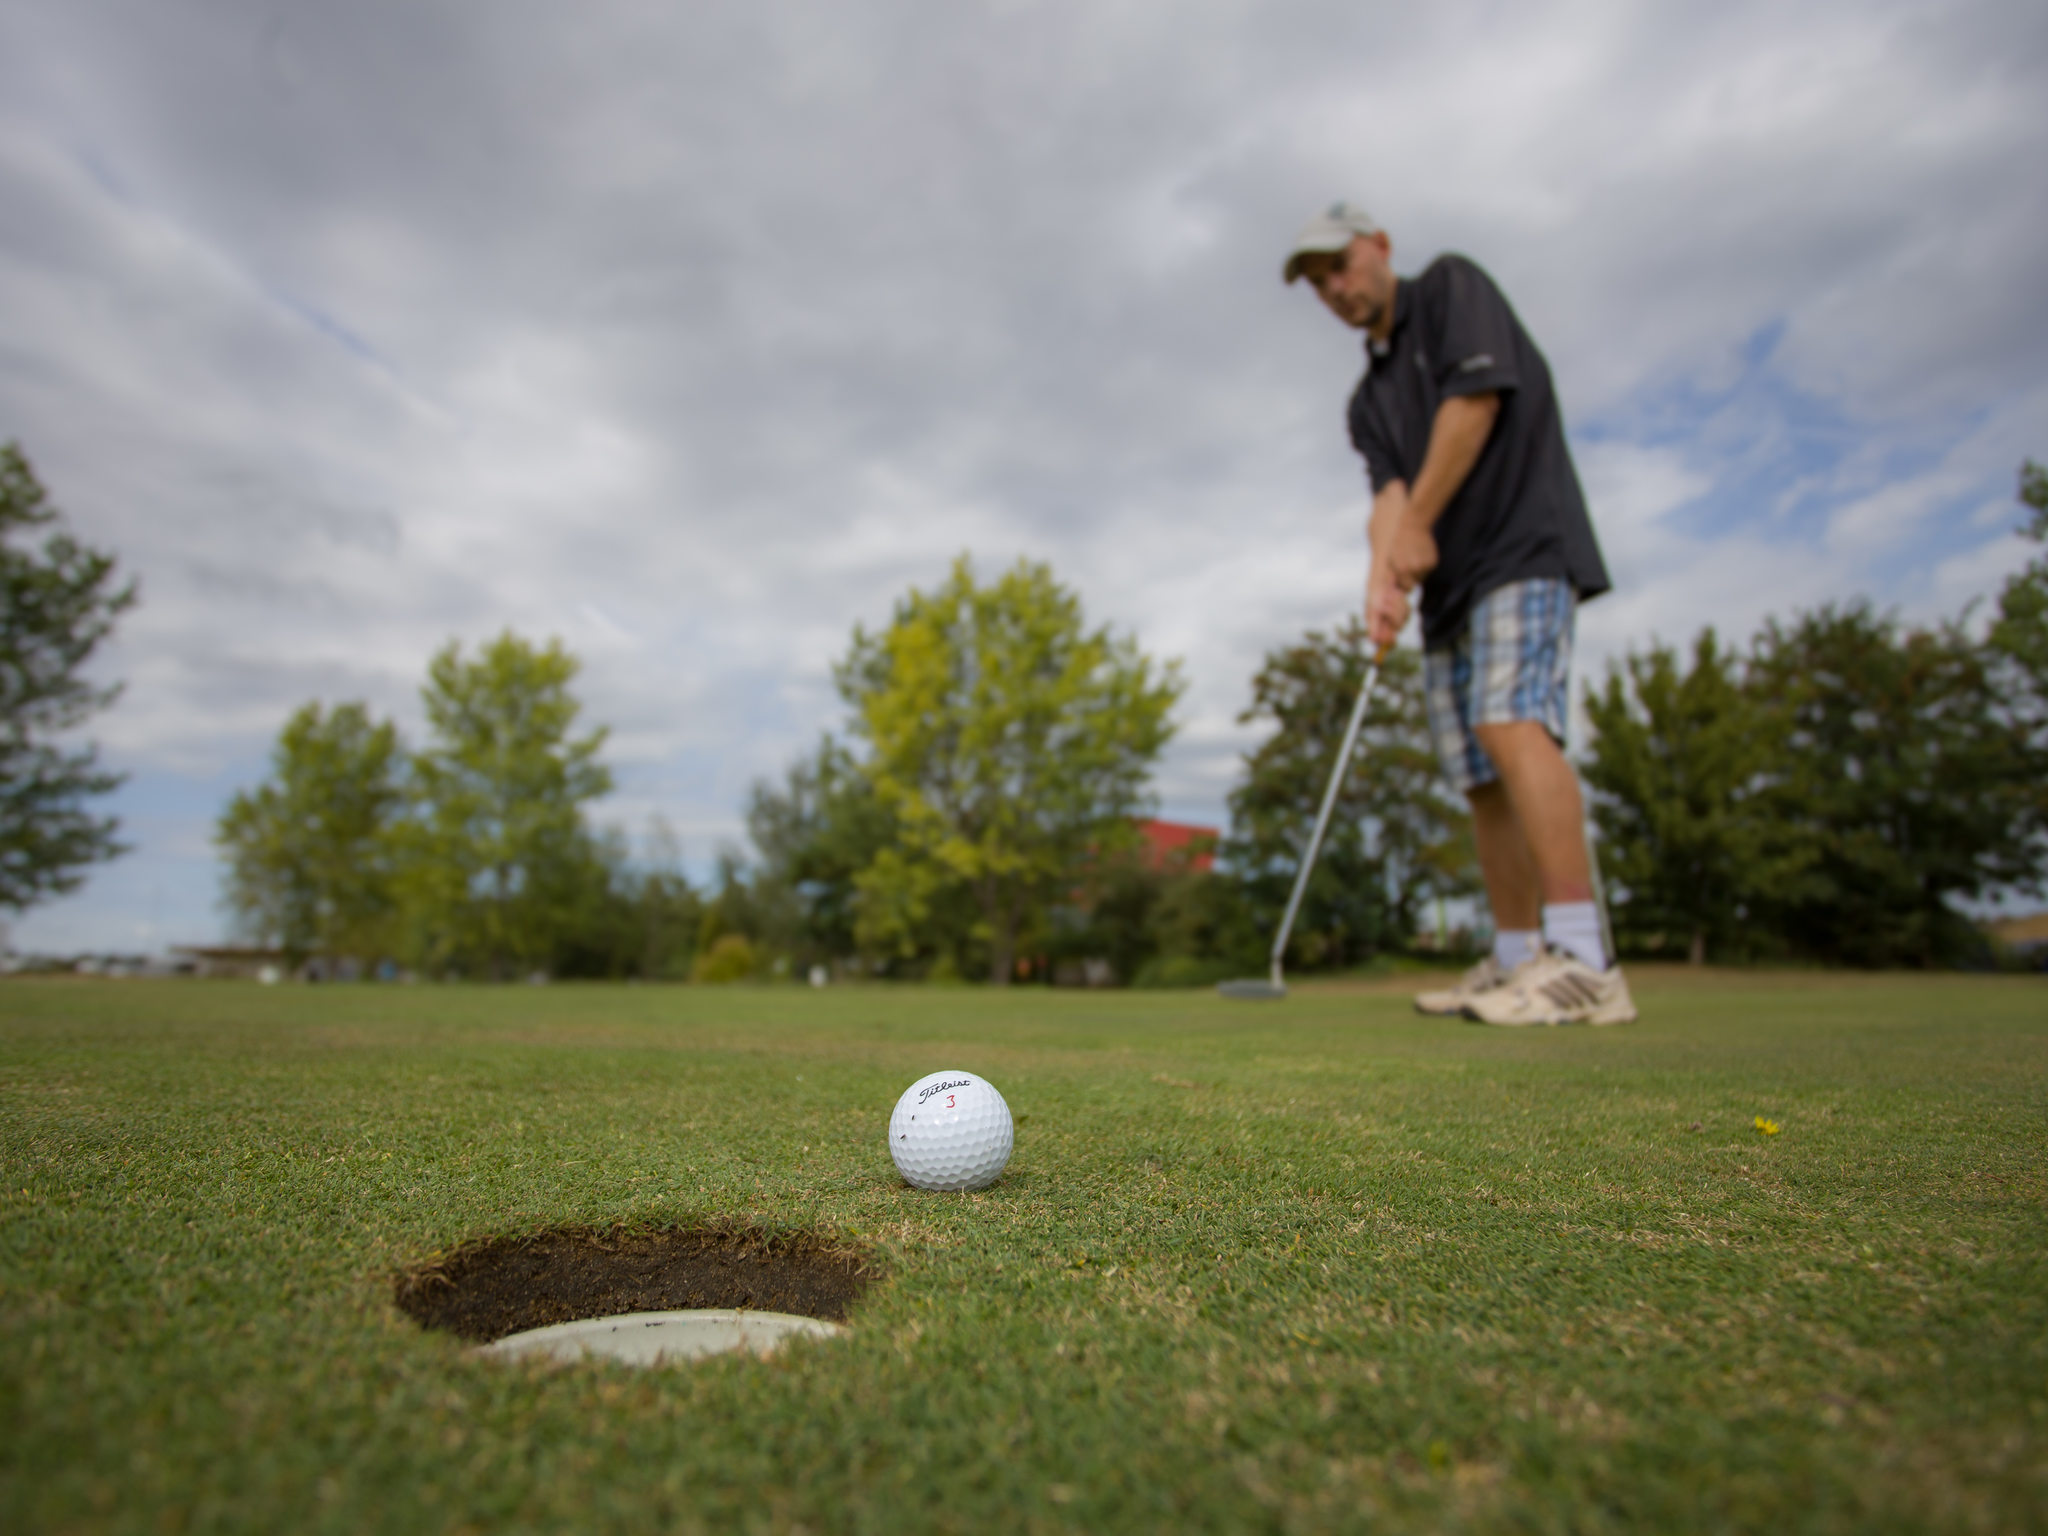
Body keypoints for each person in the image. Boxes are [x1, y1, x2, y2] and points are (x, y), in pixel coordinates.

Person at [1282, 202, 1635, 1026]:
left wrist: (1413, 530)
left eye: (1340, 264)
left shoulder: (1451, 290)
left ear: (1379, 247)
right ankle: (1517, 961)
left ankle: (1585, 960)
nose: (1334, 287)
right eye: (1316, 281)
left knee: (1512, 721)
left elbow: (1472, 407)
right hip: (1449, 587)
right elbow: (1389, 500)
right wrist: (1381, 584)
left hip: (1522, 548)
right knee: (1478, 776)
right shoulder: (1366, 400)